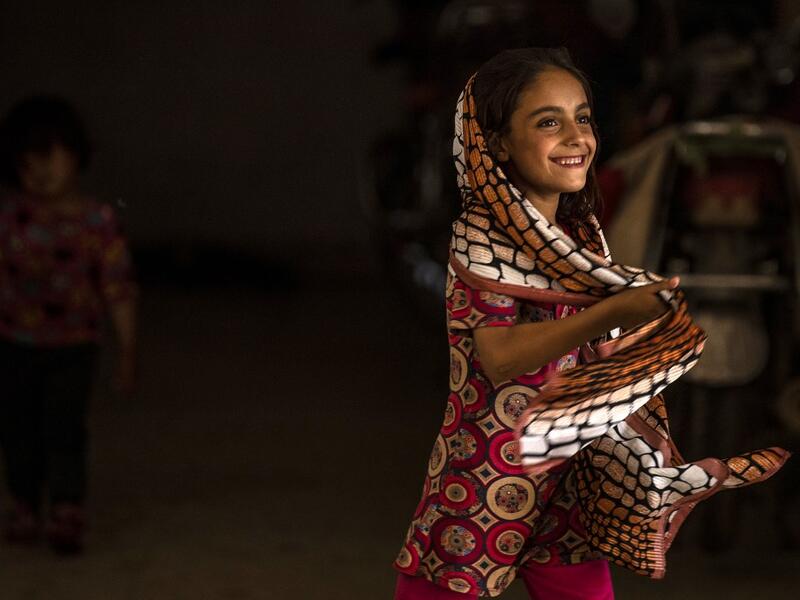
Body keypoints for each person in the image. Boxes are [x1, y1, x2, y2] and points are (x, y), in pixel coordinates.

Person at [393, 47, 788, 599]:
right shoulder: (481, 241)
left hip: (572, 475)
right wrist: (613, 313)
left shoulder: (582, 240)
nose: (576, 137)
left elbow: (597, 352)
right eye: (548, 122)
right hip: (485, 478)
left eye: (582, 118)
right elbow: (500, 354)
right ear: (496, 142)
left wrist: (649, 335)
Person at [0, 95, 137, 554]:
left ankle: (65, 506)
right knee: (17, 427)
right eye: (26, 163)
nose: (39, 171)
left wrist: (128, 350)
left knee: (64, 425)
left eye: (49, 157)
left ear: (75, 154)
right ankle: (23, 502)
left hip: (74, 346)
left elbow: (118, 288)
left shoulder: (97, 222)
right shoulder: (8, 219)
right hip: (14, 343)